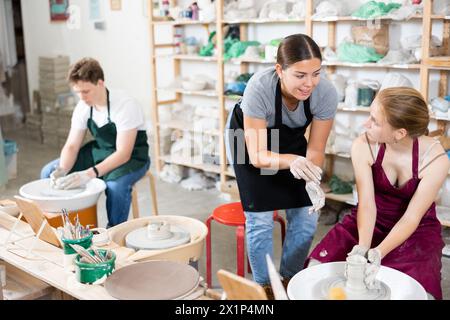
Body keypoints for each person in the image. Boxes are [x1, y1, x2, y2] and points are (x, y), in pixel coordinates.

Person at [306, 87, 450, 300]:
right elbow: (366, 204)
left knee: (417, 291)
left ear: (399, 133)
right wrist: (363, 247)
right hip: (368, 219)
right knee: (316, 268)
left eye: (374, 120)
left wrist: (378, 253)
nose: (366, 124)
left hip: (416, 229)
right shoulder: (364, 145)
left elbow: (411, 218)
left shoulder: (435, 160)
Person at [226, 33, 338, 294]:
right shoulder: (260, 87)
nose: (309, 83)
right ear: (280, 70)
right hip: (249, 140)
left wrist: (312, 180)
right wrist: (293, 161)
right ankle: (264, 287)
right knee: (261, 219)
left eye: (316, 73)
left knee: (307, 216)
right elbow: (257, 156)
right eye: (300, 75)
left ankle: (289, 281)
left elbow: (316, 148)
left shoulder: (326, 93)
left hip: (290, 143)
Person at [41, 58, 150, 228]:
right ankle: (64, 228)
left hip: (132, 157)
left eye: (86, 91)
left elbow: (123, 153)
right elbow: (71, 145)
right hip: (100, 151)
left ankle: (113, 234)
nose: (82, 97)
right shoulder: (83, 106)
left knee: (114, 186)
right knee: (48, 172)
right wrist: (62, 169)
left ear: (100, 83)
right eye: (78, 92)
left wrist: (89, 174)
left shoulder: (125, 105)